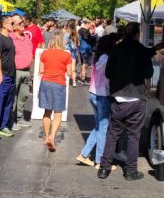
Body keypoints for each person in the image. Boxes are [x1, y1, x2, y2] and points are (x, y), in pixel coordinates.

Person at [98, 22, 157, 181]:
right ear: (137, 34)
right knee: (133, 136)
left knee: (112, 134)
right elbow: (149, 72)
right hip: (137, 98)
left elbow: (109, 74)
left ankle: (104, 169)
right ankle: (131, 171)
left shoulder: (116, 50)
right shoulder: (142, 51)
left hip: (118, 98)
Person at [77, 33, 118, 168]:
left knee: (98, 127)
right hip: (103, 95)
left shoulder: (98, 57)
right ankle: (100, 161)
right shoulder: (108, 59)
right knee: (103, 129)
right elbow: (107, 79)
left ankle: (84, 154)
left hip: (93, 93)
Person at [38, 31, 71, 152]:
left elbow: (41, 70)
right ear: (62, 41)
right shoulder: (66, 55)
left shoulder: (45, 53)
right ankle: (52, 137)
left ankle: (46, 136)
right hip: (59, 84)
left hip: (46, 82)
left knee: (47, 111)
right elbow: (69, 73)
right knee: (58, 113)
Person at [10, 14, 33, 130]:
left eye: (23, 22)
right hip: (15, 72)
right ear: (13, 26)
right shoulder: (10, 38)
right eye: (20, 23)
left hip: (26, 71)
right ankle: (9, 121)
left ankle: (19, 118)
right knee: (11, 97)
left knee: (23, 96)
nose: (23, 24)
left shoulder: (26, 37)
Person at [64, 20, 80, 87]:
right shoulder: (76, 33)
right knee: (73, 68)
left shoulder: (66, 34)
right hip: (74, 52)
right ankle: (74, 82)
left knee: (65, 67)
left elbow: (64, 43)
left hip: (67, 52)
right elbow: (78, 44)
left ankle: (66, 81)